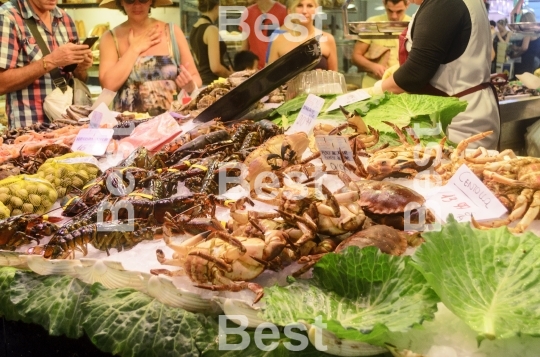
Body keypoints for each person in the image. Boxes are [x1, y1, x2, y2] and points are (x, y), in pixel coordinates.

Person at [374, 0, 500, 150]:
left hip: (457, 121)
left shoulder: (444, 3)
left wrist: (375, 91)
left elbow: (414, 74)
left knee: (453, 171)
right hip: (465, 111)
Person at [98, 0, 201, 115]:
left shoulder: (172, 32)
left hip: (171, 124)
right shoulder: (110, 38)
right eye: (130, 0)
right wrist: (135, 49)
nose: (137, 5)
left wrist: (190, 85)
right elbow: (108, 87)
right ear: (121, 2)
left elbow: (195, 76)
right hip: (127, 127)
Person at [0, 0, 92, 128]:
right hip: (31, 127)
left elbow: (79, 79)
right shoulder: (7, 17)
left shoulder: (64, 18)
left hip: (68, 126)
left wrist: (80, 67)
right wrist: (51, 60)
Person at [351, 0, 411, 88]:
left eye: (399, 11)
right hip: (372, 85)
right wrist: (373, 66)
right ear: (384, 4)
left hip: (401, 85)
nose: (394, 16)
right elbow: (356, 56)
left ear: (407, 5)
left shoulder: (412, 25)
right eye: (390, 11)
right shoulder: (372, 24)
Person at [266, 0, 337, 71]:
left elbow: (335, 78)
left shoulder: (328, 39)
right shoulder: (278, 40)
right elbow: (269, 79)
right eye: (299, 5)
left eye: (309, 6)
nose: (304, 11)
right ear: (290, 11)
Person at [190, 0, 232, 85]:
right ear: (217, 7)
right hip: (214, 83)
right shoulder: (211, 30)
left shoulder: (194, 29)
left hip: (202, 82)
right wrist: (231, 75)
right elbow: (216, 68)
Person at [240, 0, 287, 70]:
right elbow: (244, 47)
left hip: (275, 69)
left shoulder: (283, 12)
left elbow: (286, 47)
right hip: (253, 70)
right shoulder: (248, 12)